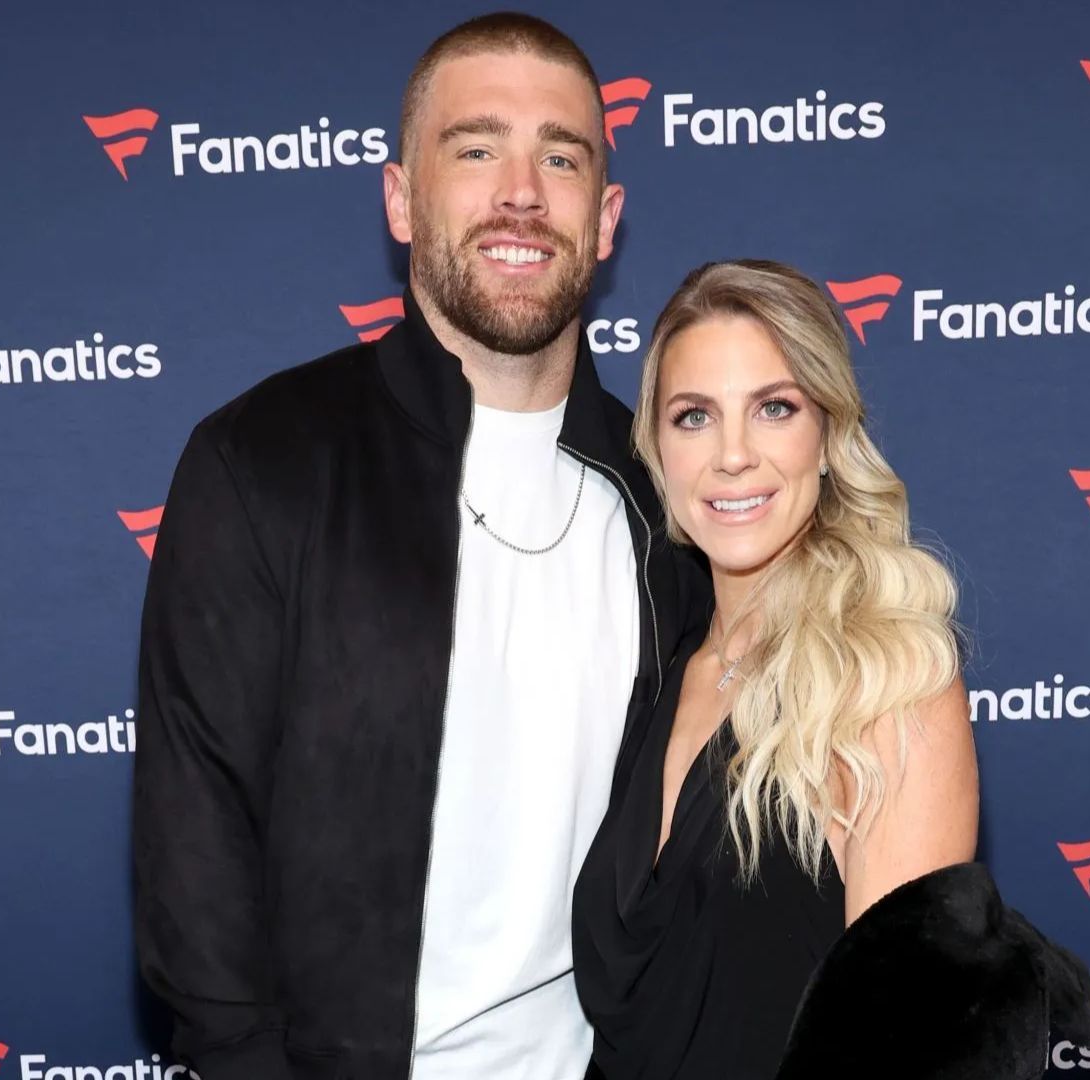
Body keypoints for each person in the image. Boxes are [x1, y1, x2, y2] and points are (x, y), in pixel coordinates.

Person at [131, 13, 696, 1080]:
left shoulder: (666, 493)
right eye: (477, 150)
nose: (522, 192)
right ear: (401, 199)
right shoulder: (262, 462)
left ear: (607, 217)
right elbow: (192, 843)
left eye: (560, 157)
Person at [573, 260, 1090, 1079]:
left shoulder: (888, 681)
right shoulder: (667, 672)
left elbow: (907, 1055)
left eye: (774, 409)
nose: (733, 456)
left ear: (826, 437)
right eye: (694, 417)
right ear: (656, 449)